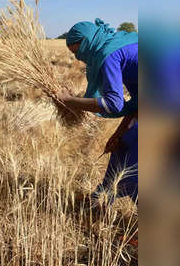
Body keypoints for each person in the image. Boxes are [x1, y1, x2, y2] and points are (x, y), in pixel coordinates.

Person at [57, 18, 138, 205]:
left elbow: (113, 104)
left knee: (138, 168)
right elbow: (139, 103)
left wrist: (70, 101)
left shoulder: (109, 54)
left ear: (88, 42)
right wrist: (118, 134)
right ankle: (100, 200)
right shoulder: (122, 42)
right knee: (123, 146)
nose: (79, 58)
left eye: (78, 52)